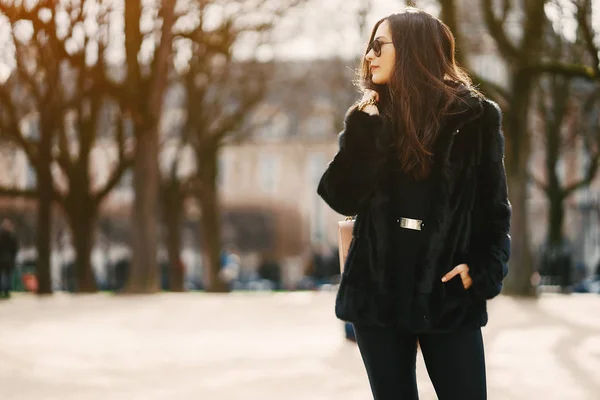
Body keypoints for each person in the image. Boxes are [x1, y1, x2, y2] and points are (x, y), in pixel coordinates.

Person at [316, 8, 511, 400]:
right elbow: (340, 196)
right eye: (369, 46)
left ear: (412, 49)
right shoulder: (368, 117)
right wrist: (363, 135)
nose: (368, 55)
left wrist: (482, 269)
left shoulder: (476, 117)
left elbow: (494, 209)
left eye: (379, 45)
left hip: (447, 289)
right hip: (379, 288)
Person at [0, 219, 19, 299]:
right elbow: (15, 248)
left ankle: (3, 291)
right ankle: (6, 291)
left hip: (2, 259)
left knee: (3, 276)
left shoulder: (1, 236)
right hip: (8, 259)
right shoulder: (12, 236)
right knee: (7, 276)